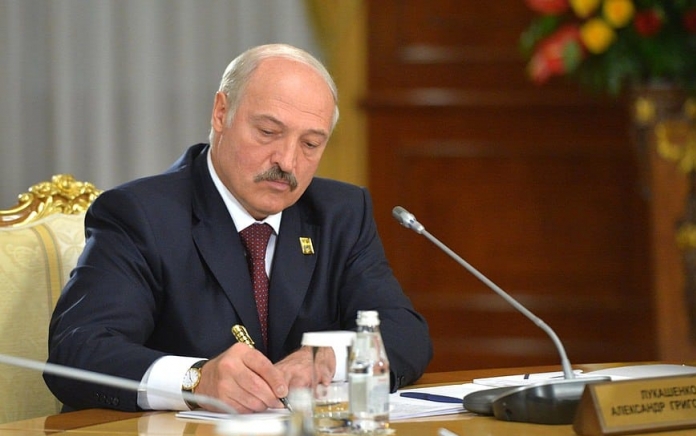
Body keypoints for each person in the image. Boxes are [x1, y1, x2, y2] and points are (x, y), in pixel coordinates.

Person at [44, 43, 433, 413]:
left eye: (311, 144)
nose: (287, 161)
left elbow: (406, 333)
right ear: (221, 113)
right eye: (268, 133)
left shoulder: (340, 213)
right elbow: (79, 350)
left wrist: (328, 356)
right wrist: (195, 380)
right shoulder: (141, 215)